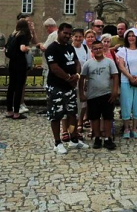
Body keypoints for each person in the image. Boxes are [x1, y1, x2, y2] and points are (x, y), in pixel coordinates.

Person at [45, 22, 88, 154]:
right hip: (56, 87)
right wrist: (69, 78)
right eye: (65, 33)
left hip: (70, 87)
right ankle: (57, 142)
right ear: (59, 32)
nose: (67, 36)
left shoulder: (69, 47)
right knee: (56, 115)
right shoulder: (52, 48)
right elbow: (54, 68)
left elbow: (76, 62)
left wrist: (77, 75)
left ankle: (73, 138)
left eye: (70, 34)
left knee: (72, 114)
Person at [80, 41, 118, 151]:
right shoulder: (88, 63)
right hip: (92, 95)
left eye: (100, 48)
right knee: (94, 117)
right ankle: (97, 137)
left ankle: (107, 138)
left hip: (107, 94)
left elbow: (115, 76)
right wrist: (82, 94)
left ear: (103, 49)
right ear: (92, 51)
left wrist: (115, 90)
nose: (98, 50)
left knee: (107, 117)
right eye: (95, 49)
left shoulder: (109, 62)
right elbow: (82, 78)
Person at [115, 30, 137, 139]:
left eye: (133, 36)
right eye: (129, 36)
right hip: (126, 81)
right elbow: (121, 66)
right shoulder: (122, 50)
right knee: (126, 104)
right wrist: (130, 76)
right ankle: (126, 128)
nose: (131, 38)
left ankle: (135, 128)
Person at [5, 19, 32, 119]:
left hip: (12, 62)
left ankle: (9, 110)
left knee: (11, 86)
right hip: (20, 62)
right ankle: (16, 112)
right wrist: (28, 49)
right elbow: (22, 48)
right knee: (19, 87)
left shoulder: (13, 35)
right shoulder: (23, 35)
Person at [38, 19, 59, 88]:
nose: (46, 30)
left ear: (49, 27)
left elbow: (44, 48)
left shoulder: (53, 35)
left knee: (47, 86)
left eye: (46, 28)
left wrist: (39, 45)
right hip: (56, 64)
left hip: (49, 64)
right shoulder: (59, 33)